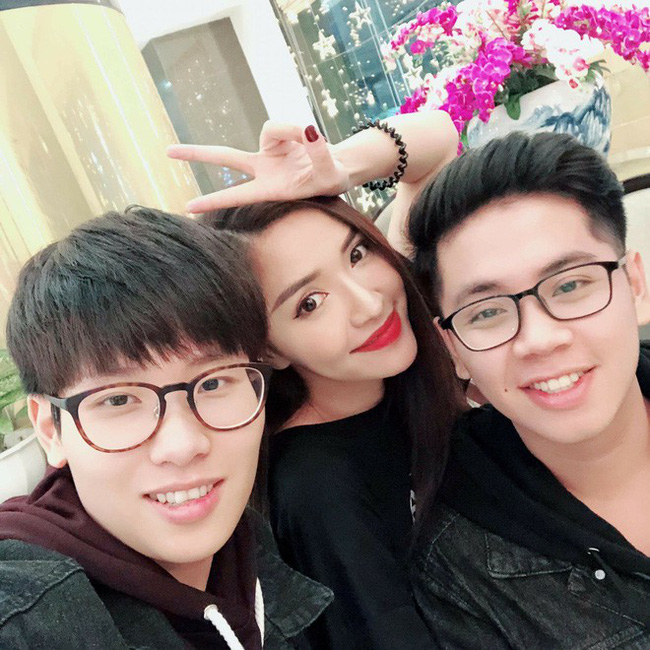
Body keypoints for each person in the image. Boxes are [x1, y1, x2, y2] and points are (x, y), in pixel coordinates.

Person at [168, 112, 466, 649]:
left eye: (357, 254)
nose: (368, 303)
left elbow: (440, 145)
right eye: (309, 303)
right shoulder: (317, 488)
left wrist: (337, 169)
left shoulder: (390, 374)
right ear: (269, 351)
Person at [0, 208, 332, 649]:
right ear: (50, 429)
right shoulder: (27, 617)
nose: (183, 445)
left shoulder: (247, 547)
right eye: (118, 400)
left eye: (213, 383)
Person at [404, 131, 650, 647]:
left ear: (634, 284)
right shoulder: (459, 571)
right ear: (453, 349)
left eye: (571, 285)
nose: (538, 339)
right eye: (486, 312)